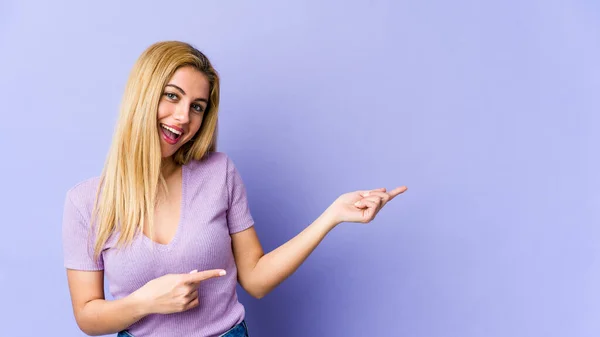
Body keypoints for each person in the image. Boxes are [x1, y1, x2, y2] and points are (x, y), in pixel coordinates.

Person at [61, 40, 407, 337]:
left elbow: (255, 279)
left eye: (197, 107)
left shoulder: (218, 173)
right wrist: (146, 302)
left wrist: (332, 216)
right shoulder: (85, 202)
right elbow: (88, 316)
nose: (183, 118)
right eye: (171, 96)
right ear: (142, 95)